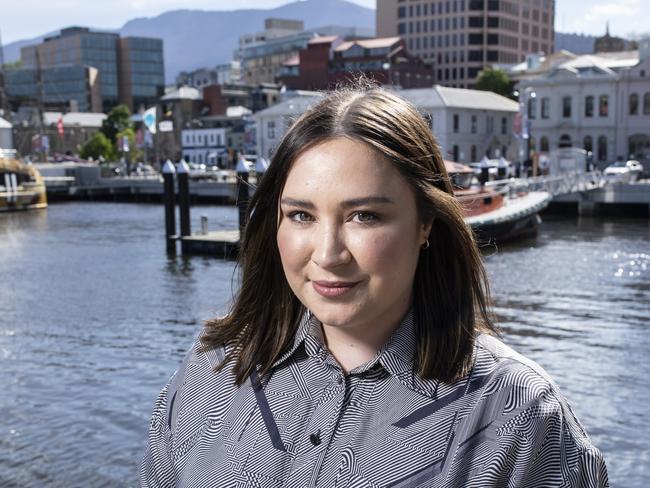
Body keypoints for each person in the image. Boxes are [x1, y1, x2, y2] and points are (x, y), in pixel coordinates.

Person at [141, 83, 608, 487]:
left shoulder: (517, 414)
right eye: (301, 215)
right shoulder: (211, 373)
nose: (327, 254)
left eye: (364, 216)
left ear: (426, 223)